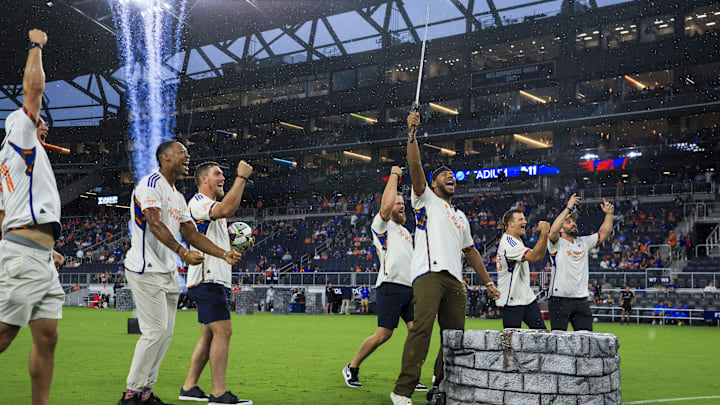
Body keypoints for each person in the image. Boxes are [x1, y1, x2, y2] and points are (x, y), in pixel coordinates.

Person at [118, 141, 242, 405]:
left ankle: (145, 393)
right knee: (155, 333)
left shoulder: (176, 195)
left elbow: (190, 233)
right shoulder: (151, 184)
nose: (187, 158)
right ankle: (131, 394)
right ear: (165, 158)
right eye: (182, 154)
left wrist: (222, 253)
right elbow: (154, 223)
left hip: (168, 270)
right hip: (145, 268)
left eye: (187, 154)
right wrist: (182, 252)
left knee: (164, 335)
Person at [391, 113, 500, 405]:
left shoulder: (461, 216)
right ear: (433, 183)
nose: (450, 176)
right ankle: (402, 390)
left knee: (454, 338)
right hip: (429, 274)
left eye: (452, 174)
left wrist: (488, 282)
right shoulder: (425, 198)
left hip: (455, 280)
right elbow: (415, 166)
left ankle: (440, 384)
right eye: (444, 174)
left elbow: (472, 251)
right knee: (423, 330)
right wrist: (411, 133)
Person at [0, 29, 66, 405]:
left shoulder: (10, 160)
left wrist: (42, 247)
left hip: (33, 252)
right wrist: (37, 44)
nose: (42, 124)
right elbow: (33, 91)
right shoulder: (20, 138)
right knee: (5, 333)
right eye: (36, 121)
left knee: (47, 337)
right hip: (25, 255)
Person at [344, 167, 427, 391]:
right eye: (399, 203)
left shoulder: (406, 232)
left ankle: (410, 376)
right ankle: (352, 367)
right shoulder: (381, 226)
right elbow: (386, 206)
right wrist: (394, 177)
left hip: (409, 289)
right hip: (389, 286)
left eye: (403, 203)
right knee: (383, 335)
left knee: (415, 333)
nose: (402, 206)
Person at [179, 161, 254, 405]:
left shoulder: (210, 208)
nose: (223, 176)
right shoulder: (200, 202)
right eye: (217, 174)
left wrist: (236, 246)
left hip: (211, 278)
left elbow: (214, 234)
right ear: (203, 180)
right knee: (224, 331)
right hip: (207, 278)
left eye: (224, 172)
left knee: (209, 336)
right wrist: (241, 178)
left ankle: (189, 387)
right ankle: (219, 393)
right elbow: (224, 210)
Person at [547, 194, 614, 331]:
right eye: (568, 222)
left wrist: (609, 215)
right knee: (559, 341)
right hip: (559, 299)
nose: (573, 223)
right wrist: (568, 208)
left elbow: (603, 234)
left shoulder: (583, 242)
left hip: (581, 299)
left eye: (574, 221)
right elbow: (552, 232)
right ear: (561, 228)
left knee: (586, 340)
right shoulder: (556, 243)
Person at [496, 210, 551, 329]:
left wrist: (545, 235)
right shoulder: (508, 243)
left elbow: (537, 255)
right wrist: (544, 233)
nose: (525, 222)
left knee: (542, 336)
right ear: (510, 224)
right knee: (512, 341)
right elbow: (536, 257)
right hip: (512, 301)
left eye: (524, 219)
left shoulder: (517, 241)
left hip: (526, 298)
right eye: (520, 219)